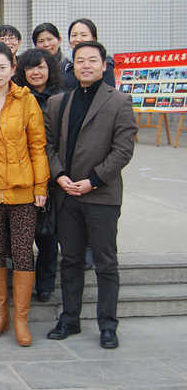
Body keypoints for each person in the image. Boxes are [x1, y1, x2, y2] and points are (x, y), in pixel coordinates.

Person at [44, 41, 137, 350]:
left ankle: (108, 325)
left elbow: (123, 149)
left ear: (103, 65)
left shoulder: (119, 101)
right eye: (80, 60)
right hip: (67, 194)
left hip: (101, 196)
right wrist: (59, 176)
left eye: (92, 60)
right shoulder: (59, 102)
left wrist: (93, 180)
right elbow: (48, 146)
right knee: (70, 260)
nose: (85, 65)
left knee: (105, 263)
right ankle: (69, 319)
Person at [0, 42, 49, 347]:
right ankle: (0, 313)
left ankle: (21, 319)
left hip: (22, 191)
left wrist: (40, 186)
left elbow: (37, 146)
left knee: (23, 252)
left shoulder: (27, 101)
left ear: (13, 69)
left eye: (3, 67)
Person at [15, 48, 64, 302]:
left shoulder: (61, 98)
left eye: (41, 67)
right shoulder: (17, 97)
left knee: (48, 235)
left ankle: (45, 284)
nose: (36, 72)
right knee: (22, 235)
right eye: (30, 68)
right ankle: (21, 282)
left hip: (51, 173)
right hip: (21, 172)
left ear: (50, 69)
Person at [61, 19, 115, 91]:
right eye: (74, 35)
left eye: (83, 35)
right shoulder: (66, 63)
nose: (78, 39)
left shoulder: (104, 62)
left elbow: (109, 92)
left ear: (94, 39)